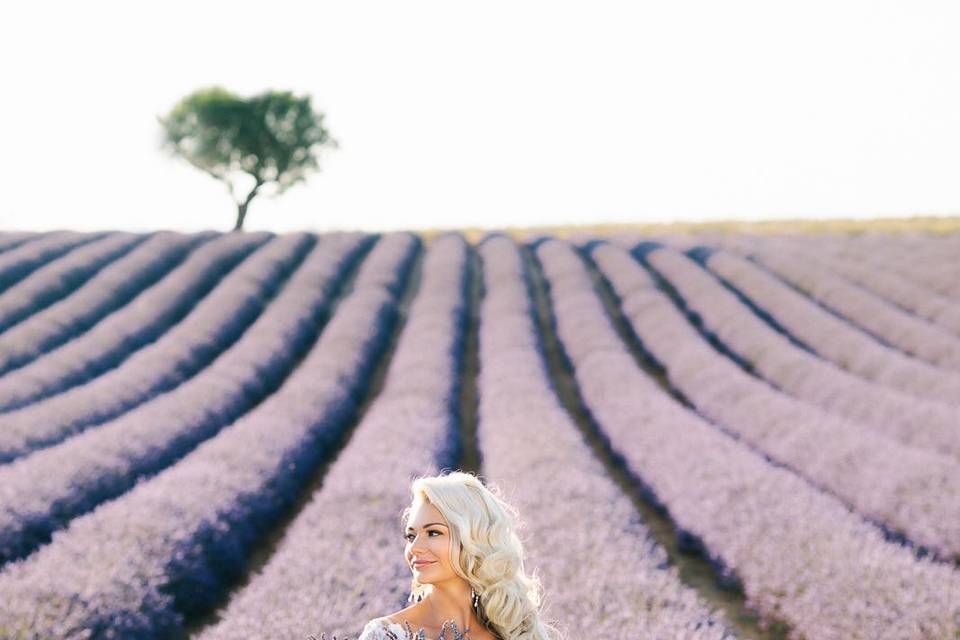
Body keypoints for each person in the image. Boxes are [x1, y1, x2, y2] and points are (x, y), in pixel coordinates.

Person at [357, 471, 563, 640]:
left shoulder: (514, 631)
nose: (415, 548)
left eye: (433, 533)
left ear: (472, 539)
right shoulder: (385, 635)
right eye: (411, 536)